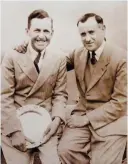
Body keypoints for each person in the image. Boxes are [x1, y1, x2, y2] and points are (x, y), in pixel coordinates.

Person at [14, 12, 127, 164]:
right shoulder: (78, 54)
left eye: (91, 32)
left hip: (110, 121)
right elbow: (53, 66)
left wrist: (87, 119)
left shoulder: (121, 58)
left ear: (103, 29)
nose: (87, 38)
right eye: (83, 34)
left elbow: (120, 103)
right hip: (80, 117)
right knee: (64, 152)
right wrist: (30, 49)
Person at [1, 9, 68, 164]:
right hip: (15, 122)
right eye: (37, 30)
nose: (41, 35)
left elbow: (60, 94)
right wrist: (14, 130)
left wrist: (57, 120)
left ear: (52, 33)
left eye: (46, 31)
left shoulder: (58, 58)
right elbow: (4, 97)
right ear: (27, 31)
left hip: (46, 125)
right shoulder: (12, 56)